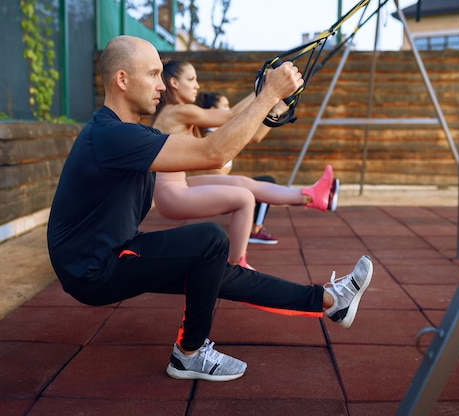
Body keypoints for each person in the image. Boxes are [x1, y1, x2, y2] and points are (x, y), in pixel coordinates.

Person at [46, 35, 373, 382]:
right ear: (122, 80)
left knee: (217, 267)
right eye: (153, 74)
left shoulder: (132, 134)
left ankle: (328, 302)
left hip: (112, 251)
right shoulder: (112, 136)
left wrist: (266, 99)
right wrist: (269, 95)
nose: (161, 85)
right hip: (92, 269)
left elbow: (219, 144)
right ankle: (189, 354)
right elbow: (214, 153)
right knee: (210, 240)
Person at [150, 59, 340, 269]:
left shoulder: (180, 113)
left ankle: (312, 196)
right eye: (191, 79)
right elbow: (231, 115)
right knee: (245, 198)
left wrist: (273, 96)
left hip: (178, 186)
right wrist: (267, 86)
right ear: (174, 83)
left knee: (243, 182)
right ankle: (236, 265)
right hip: (171, 195)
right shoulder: (177, 111)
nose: (197, 85)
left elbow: (248, 131)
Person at [195, 91, 279, 245]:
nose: (230, 108)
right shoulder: (211, 137)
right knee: (267, 183)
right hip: (214, 195)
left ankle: (250, 228)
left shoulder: (219, 133)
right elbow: (254, 136)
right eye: (226, 105)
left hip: (221, 190)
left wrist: (276, 112)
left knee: (263, 184)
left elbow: (255, 136)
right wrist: (265, 92)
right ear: (214, 110)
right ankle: (255, 230)